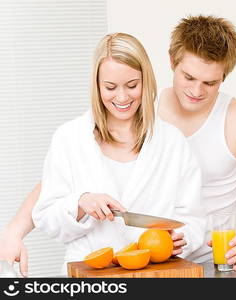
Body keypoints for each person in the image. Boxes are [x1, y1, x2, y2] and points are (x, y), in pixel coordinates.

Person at [0, 15, 236, 275]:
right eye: (188, 77)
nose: (196, 91)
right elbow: (60, 180)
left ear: (224, 76)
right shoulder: (138, 109)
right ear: (172, 61)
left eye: (210, 83)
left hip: (202, 258)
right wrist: (15, 231)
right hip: (130, 264)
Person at [29, 32, 205, 275]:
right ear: (97, 85)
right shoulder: (69, 138)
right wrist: (80, 203)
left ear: (146, 82)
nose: (122, 97)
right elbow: (46, 217)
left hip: (155, 275)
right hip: (91, 276)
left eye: (132, 86)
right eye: (110, 87)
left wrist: (179, 239)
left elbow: (193, 217)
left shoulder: (172, 142)